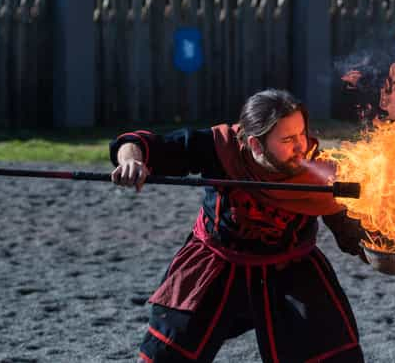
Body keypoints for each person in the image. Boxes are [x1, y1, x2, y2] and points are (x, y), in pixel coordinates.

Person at [110, 89, 368, 362]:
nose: (300, 146)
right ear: (256, 145)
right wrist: (131, 161)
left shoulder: (321, 171)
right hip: (216, 266)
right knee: (164, 356)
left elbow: (351, 229)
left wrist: (391, 248)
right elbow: (139, 143)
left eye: (302, 134)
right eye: (288, 139)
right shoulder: (220, 148)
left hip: (292, 270)